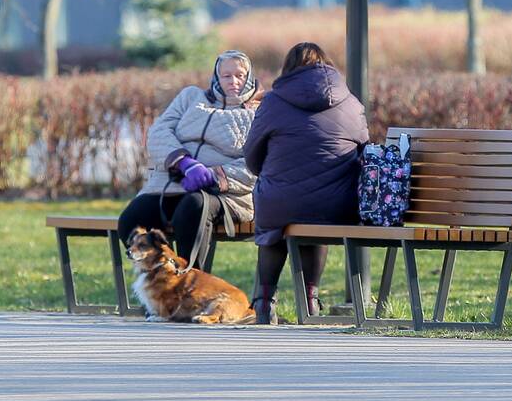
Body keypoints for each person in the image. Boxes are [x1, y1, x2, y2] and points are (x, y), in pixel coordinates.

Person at [243, 42, 369, 324]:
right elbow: (364, 150)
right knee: (316, 208)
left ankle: (264, 302)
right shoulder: (351, 102)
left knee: (276, 221)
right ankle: (310, 300)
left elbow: (251, 158)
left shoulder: (273, 102)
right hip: (338, 204)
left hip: (280, 202)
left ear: (288, 69)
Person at [118, 50, 262, 271]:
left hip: (226, 195)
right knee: (132, 219)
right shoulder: (191, 97)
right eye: (226, 76)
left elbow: (258, 163)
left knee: (193, 206)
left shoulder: (257, 112)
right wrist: (185, 163)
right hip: (174, 183)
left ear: (249, 76)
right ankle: (161, 282)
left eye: (240, 75)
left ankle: (191, 285)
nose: (233, 81)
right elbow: (159, 132)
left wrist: (214, 175)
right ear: (217, 76)